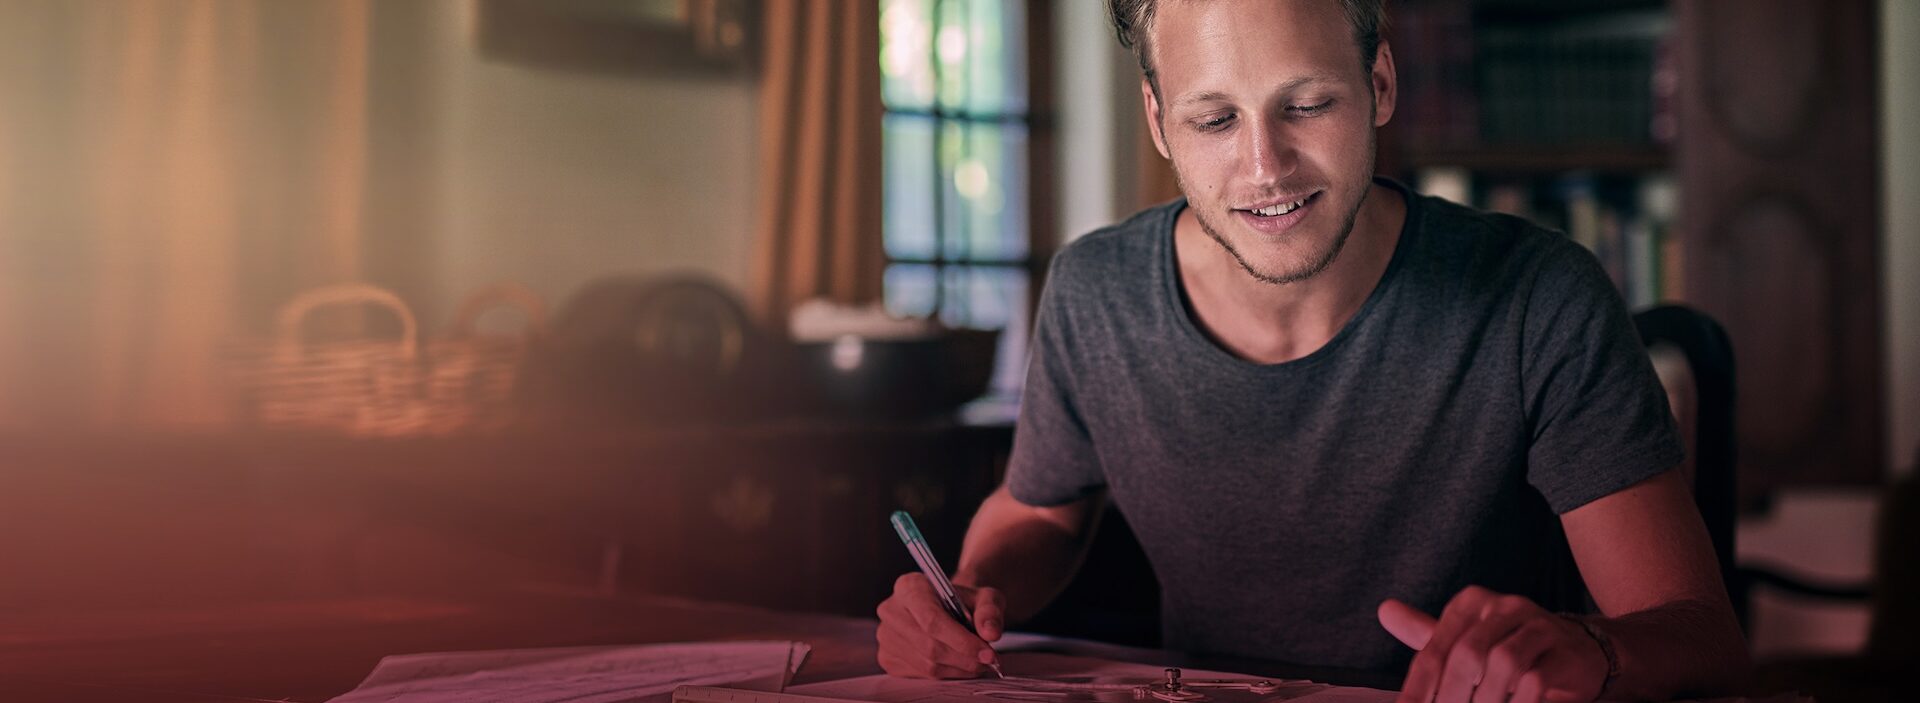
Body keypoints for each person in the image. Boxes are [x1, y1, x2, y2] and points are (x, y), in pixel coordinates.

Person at [874, 1, 1750, 701]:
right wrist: (966, 594)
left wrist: (1591, 649)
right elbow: (1038, 512)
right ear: (1157, 121)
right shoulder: (1094, 292)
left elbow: (1701, 633)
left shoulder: (1539, 295)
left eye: (1307, 104)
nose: (1267, 166)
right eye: (1214, 118)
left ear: (1378, 84)